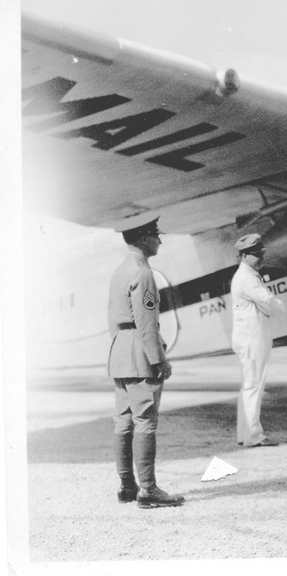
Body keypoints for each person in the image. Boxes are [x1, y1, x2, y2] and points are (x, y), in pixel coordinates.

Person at [107, 216, 185, 508]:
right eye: (155, 235)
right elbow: (146, 323)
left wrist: (121, 351)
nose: (159, 240)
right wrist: (158, 359)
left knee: (124, 420)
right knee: (145, 423)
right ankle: (148, 489)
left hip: (120, 352)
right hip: (140, 353)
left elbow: (113, 320)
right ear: (142, 238)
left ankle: (127, 486)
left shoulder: (119, 271)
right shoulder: (143, 273)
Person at [231, 234, 286, 447]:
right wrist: (281, 307)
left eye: (261, 253)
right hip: (252, 337)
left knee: (249, 384)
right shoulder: (247, 278)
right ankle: (254, 436)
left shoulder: (247, 274)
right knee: (254, 385)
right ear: (244, 256)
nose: (260, 257)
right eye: (255, 254)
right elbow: (267, 302)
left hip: (249, 336)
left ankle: (245, 434)